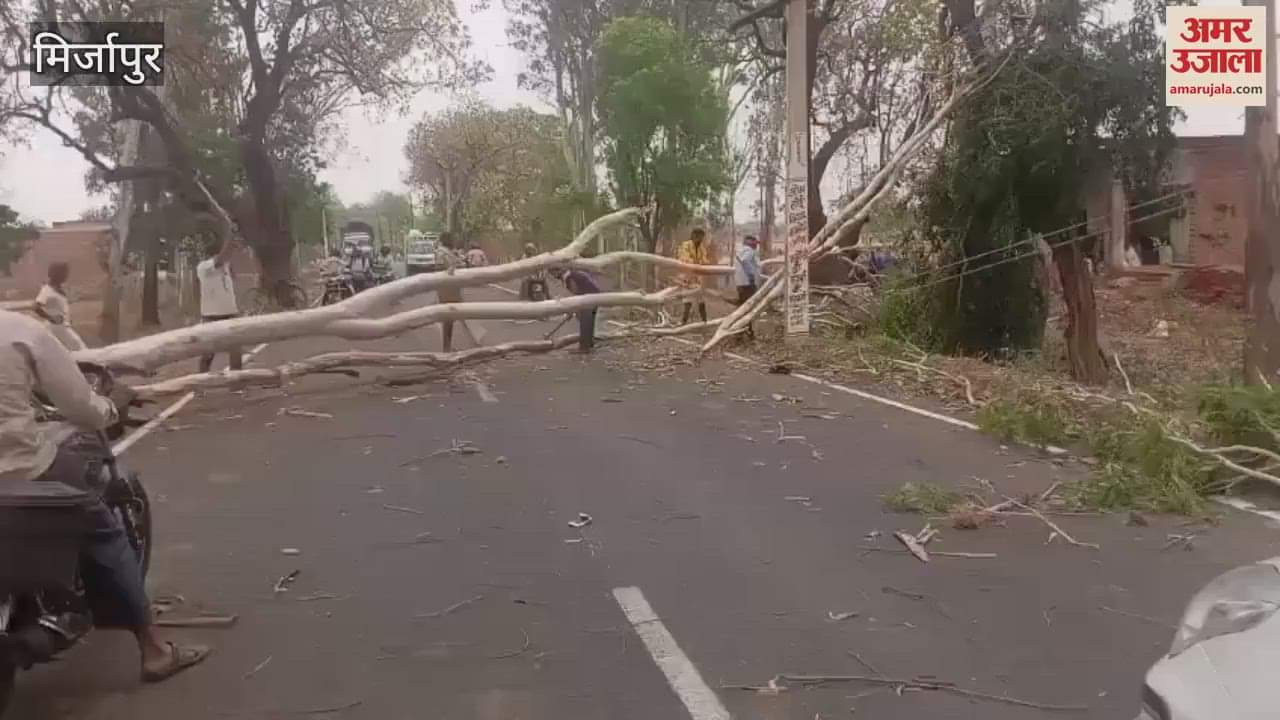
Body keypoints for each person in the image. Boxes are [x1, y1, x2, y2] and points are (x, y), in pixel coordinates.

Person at [0, 309, 211, 682]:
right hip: (21, 471)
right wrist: (108, 409)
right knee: (104, 533)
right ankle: (155, 650)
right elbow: (78, 405)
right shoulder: (21, 331)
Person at [196, 234, 243, 374]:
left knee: (236, 351)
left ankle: (237, 384)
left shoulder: (226, 266)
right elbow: (221, 258)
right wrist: (230, 238)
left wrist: (233, 250)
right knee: (208, 353)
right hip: (211, 315)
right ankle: (201, 383)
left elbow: (232, 278)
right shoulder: (203, 267)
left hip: (230, 313)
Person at [35, 262, 87, 351]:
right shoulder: (47, 290)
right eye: (64, 273)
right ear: (56, 274)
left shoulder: (58, 289)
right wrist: (51, 317)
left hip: (63, 326)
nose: (66, 276)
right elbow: (36, 306)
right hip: (56, 328)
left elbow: (59, 305)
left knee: (68, 351)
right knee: (79, 347)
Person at [552, 266, 601, 354]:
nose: (553, 276)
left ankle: (584, 348)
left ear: (559, 271)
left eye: (553, 273)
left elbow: (576, 293)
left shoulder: (569, 277)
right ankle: (589, 344)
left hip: (588, 298)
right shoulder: (573, 274)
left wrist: (574, 309)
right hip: (594, 297)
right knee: (588, 322)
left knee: (585, 322)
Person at [675, 228, 712, 325]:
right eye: (698, 236)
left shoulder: (701, 248)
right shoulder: (685, 245)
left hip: (698, 278)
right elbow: (684, 258)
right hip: (687, 277)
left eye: (701, 237)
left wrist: (705, 264)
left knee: (701, 301)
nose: (700, 239)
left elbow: (705, 260)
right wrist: (696, 264)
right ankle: (683, 322)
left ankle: (705, 322)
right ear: (693, 236)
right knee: (687, 301)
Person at [733, 236, 761, 339]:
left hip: (740, 283)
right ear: (749, 242)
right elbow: (745, 260)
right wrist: (751, 275)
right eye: (755, 243)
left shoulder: (739, 251)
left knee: (743, 308)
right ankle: (743, 331)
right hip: (748, 284)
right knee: (747, 308)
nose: (756, 245)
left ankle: (743, 330)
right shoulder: (749, 251)